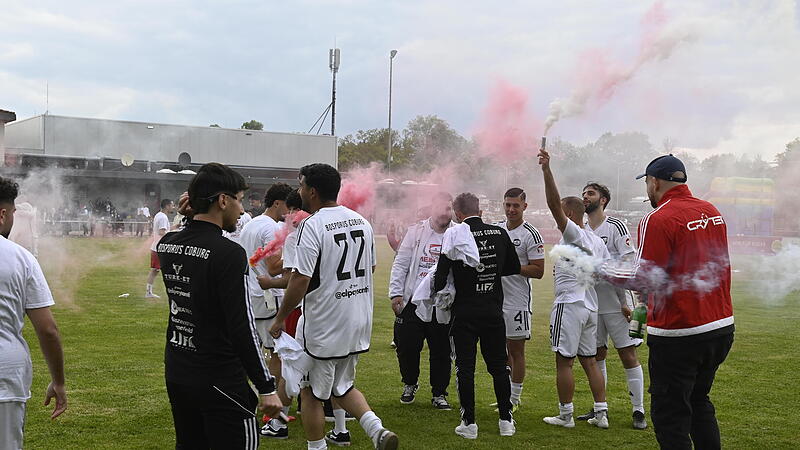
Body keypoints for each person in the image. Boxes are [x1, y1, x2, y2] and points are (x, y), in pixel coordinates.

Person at [608, 154, 734, 448]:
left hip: (680, 332)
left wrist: (603, 270)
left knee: (670, 416)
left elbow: (644, 278)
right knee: (699, 402)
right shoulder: (711, 210)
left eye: (647, 183)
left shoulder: (657, 218)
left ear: (654, 182)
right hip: (720, 326)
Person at [269, 163, 398, 450]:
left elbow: (300, 279)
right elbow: (371, 267)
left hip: (324, 322)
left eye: (301, 186)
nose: (300, 191)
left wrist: (280, 318)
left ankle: (317, 447)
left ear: (312, 191)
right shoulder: (362, 222)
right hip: (357, 319)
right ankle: (377, 430)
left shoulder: (311, 225)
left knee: (311, 393)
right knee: (343, 386)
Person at [158, 163, 282, 448]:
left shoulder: (168, 244)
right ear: (223, 200)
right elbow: (241, 327)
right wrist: (266, 386)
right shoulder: (229, 254)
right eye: (239, 200)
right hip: (220, 377)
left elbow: (188, 239)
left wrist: (189, 217)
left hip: (178, 372)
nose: (242, 209)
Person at [433, 192, 521, 439]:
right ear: (479, 210)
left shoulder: (454, 235)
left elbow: (440, 279)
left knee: (465, 368)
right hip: (493, 310)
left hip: (464, 312)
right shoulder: (500, 233)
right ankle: (506, 421)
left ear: (457, 213)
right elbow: (513, 267)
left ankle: (469, 424)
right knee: (499, 367)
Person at [537, 147, 611, 429]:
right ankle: (601, 414)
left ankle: (565, 415)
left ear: (568, 214)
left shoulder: (574, 234)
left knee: (564, 362)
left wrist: (547, 170)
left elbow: (552, 204)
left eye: (561, 213)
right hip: (590, 306)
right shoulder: (597, 241)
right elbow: (606, 274)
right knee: (589, 361)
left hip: (570, 304)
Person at [0, 176, 67, 450]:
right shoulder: (22, 258)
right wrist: (58, 382)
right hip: (5, 376)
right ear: (3, 215)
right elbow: (47, 330)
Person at [578, 182, 647, 429]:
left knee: (628, 354)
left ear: (603, 199)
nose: (585, 197)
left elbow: (629, 262)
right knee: (597, 355)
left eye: (590, 193)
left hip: (619, 304)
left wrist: (626, 301)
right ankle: (600, 408)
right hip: (592, 303)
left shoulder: (615, 226)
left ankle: (638, 410)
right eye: (584, 194)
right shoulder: (581, 227)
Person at [388, 192, 455, 410]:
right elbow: (401, 263)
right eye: (440, 208)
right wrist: (396, 293)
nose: (444, 213)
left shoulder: (457, 233)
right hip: (413, 301)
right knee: (406, 346)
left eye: (448, 209)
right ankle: (410, 383)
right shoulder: (416, 231)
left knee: (441, 351)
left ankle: (439, 393)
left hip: (442, 304)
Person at [494, 188, 545, 411]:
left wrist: (511, 267)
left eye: (516, 205)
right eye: (508, 205)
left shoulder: (530, 234)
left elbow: (538, 270)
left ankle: (514, 399)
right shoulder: (496, 229)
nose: (511, 209)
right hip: (495, 300)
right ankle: (505, 396)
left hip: (517, 302)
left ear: (525, 206)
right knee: (500, 352)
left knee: (516, 351)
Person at [145, 198, 174, 298]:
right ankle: (149, 292)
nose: (173, 207)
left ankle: (149, 292)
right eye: (172, 205)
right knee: (155, 270)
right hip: (159, 248)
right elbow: (162, 232)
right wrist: (174, 235)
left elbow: (164, 230)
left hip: (157, 247)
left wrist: (175, 227)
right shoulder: (163, 217)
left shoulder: (159, 215)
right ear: (167, 206)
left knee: (156, 270)